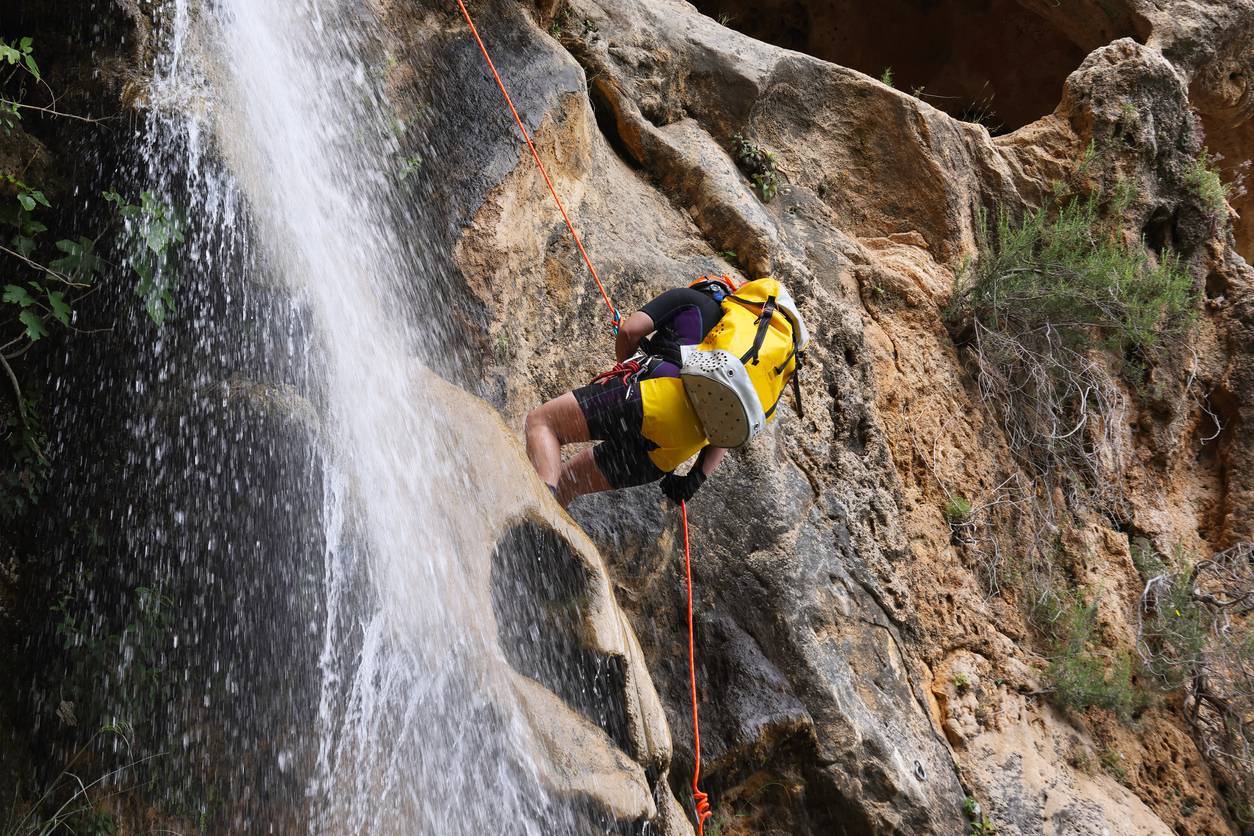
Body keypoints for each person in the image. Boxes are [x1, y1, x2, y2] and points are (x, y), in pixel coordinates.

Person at [524, 277, 740, 508]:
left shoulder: (690, 299)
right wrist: (695, 479)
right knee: (566, 482)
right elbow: (729, 427)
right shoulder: (737, 353)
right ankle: (540, 531)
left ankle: (539, 511)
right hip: (673, 450)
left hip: (652, 399)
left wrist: (626, 366)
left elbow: (629, 331)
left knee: (543, 423)